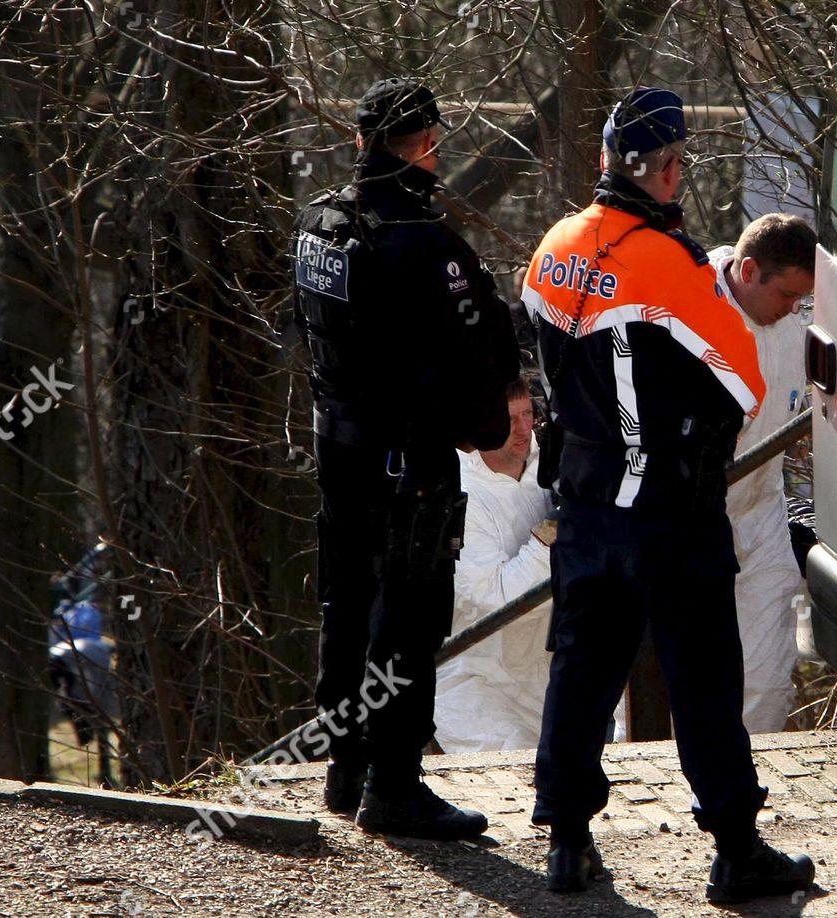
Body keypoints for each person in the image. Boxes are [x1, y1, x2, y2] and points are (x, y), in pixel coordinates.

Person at [522, 86, 815, 903]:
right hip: (669, 512)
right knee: (705, 677)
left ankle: (569, 841)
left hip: (585, 499)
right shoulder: (672, 265)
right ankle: (734, 847)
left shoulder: (553, 247)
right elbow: (743, 383)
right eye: (680, 164)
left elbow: (543, 351)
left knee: (580, 669)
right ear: (663, 168)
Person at [292, 78, 519, 840]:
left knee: (346, 603)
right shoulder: (426, 244)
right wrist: (484, 429)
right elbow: (478, 367)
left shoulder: (320, 226)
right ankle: (394, 786)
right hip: (406, 464)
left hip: (338, 448)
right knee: (409, 619)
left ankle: (344, 766)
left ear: (360, 141)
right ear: (425, 144)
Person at [709, 214, 816, 733]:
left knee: (767, 672)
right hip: (694, 517)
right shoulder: (694, 311)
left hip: (763, 509)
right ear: (748, 272)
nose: (794, 307)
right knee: (679, 668)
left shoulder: (792, 325)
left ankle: (750, 781)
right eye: (787, 296)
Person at [434, 376, 555, 753]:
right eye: (510, 419)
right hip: (479, 677)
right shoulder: (458, 493)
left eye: (528, 414)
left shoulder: (550, 460)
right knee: (509, 775)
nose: (524, 430)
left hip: (553, 669)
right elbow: (496, 599)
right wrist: (548, 542)